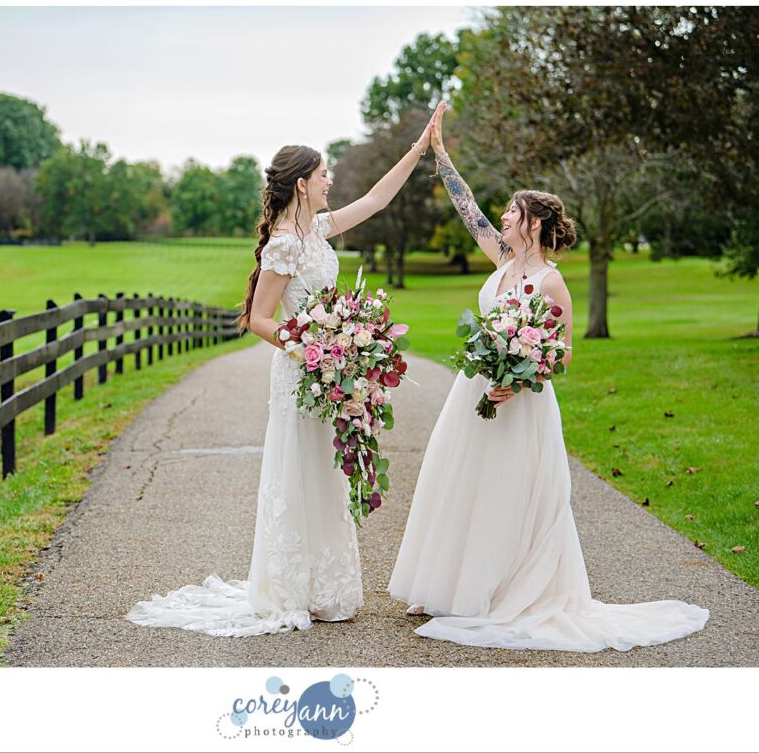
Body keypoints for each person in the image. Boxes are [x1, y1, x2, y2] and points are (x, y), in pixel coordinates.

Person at [387, 106, 710, 652]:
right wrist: (440, 156)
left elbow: (561, 357)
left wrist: (520, 375)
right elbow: (467, 211)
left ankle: (501, 590)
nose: (503, 218)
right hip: (476, 393)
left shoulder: (551, 282)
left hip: (522, 403)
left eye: (512, 212)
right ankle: (451, 586)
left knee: (507, 492)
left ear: (533, 223)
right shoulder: (500, 260)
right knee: (462, 483)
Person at [127, 103, 446, 637]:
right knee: (298, 473)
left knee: (325, 473)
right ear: (302, 183)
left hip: (328, 368)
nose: (331, 180)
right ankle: (291, 588)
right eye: (324, 173)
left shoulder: (318, 230)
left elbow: (375, 199)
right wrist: (313, 347)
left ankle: (327, 587)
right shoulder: (282, 244)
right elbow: (258, 319)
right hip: (302, 373)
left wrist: (419, 148)